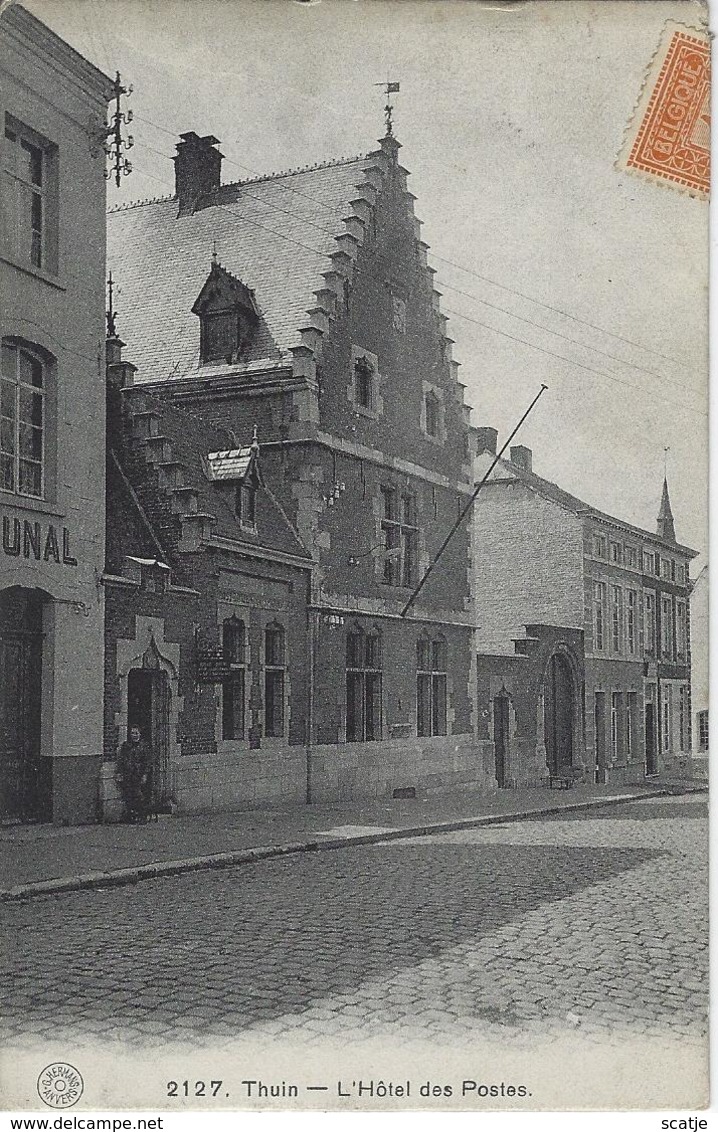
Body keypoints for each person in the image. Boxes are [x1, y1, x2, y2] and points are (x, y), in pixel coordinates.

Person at [117, 726, 153, 823]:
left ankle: (142, 815)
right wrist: (120, 772)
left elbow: (147, 762)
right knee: (129, 795)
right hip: (128, 774)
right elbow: (121, 760)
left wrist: (145, 774)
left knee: (139, 795)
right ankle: (131, 815)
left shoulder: (144, 746)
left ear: (140, 734)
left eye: (136, 733)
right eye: (132, 733)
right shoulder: (126, 746)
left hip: (139, 774)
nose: (134, 735)